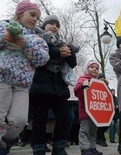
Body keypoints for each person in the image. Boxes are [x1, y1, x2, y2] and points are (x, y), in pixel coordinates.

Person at [0, 0, 49, 154]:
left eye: (37, 17)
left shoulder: (37, 39)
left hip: (22, 85)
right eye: (32, 15)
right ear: (20, 13)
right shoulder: (3, 26)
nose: (35, 19)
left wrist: (25, 44)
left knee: (20, 120)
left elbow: (42, 59)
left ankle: (7, 142)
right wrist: (3, 39)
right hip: (2, 79)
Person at [29, 14, 77, 155]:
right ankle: (38, 146)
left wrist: (69, 52)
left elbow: (72, 63)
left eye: (57, 24)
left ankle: (59, 146)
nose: (54, 26)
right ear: (43, 25)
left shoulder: (64, 43)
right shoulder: (36, 37)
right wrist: (58, 52)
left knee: (66, 117)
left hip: (59, 87)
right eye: (51, 23)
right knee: (40, 119)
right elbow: (36, 52)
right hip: (40, 85)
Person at [74, 60, 103, 155]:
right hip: (85, 111)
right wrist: (82, 85)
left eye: (97, 68)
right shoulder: (83, 79)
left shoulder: (98, 82)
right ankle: (85, 149)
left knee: (93, 132)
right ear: (87, 68)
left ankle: (92, 148)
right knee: (84, 131)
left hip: (96, 113)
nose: (95, 69)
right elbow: (77, 92)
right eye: (92, 67)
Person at [96, 73, 110, 147]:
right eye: (100, 77)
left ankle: (98, 136)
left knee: (108, 124)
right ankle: (103, 140)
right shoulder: (95, 85)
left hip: (106, 108)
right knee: (100, 125)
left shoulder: (107, 86)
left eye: (103, 77)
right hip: (98, 108)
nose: (102, 79)